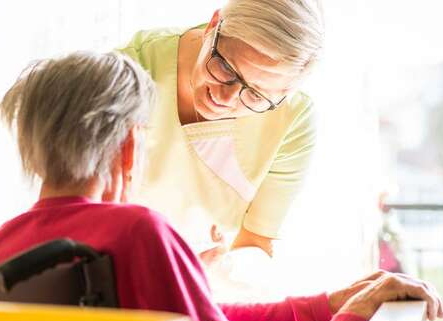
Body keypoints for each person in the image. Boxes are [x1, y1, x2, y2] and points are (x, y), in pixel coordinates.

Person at [0, 51, 443, 321]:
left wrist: (324, 308)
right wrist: (356, 320)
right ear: (129, 145)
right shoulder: (135, 231)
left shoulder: (7, 243)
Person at [118, 0, 325, 262]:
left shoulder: (291, 120)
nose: (225, 98)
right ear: (214, 25)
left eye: (255, 94)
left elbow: (256, 241)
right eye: (226, 68)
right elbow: (77, 207)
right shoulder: (132, 69)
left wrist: (223, 268)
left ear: (284, 94)